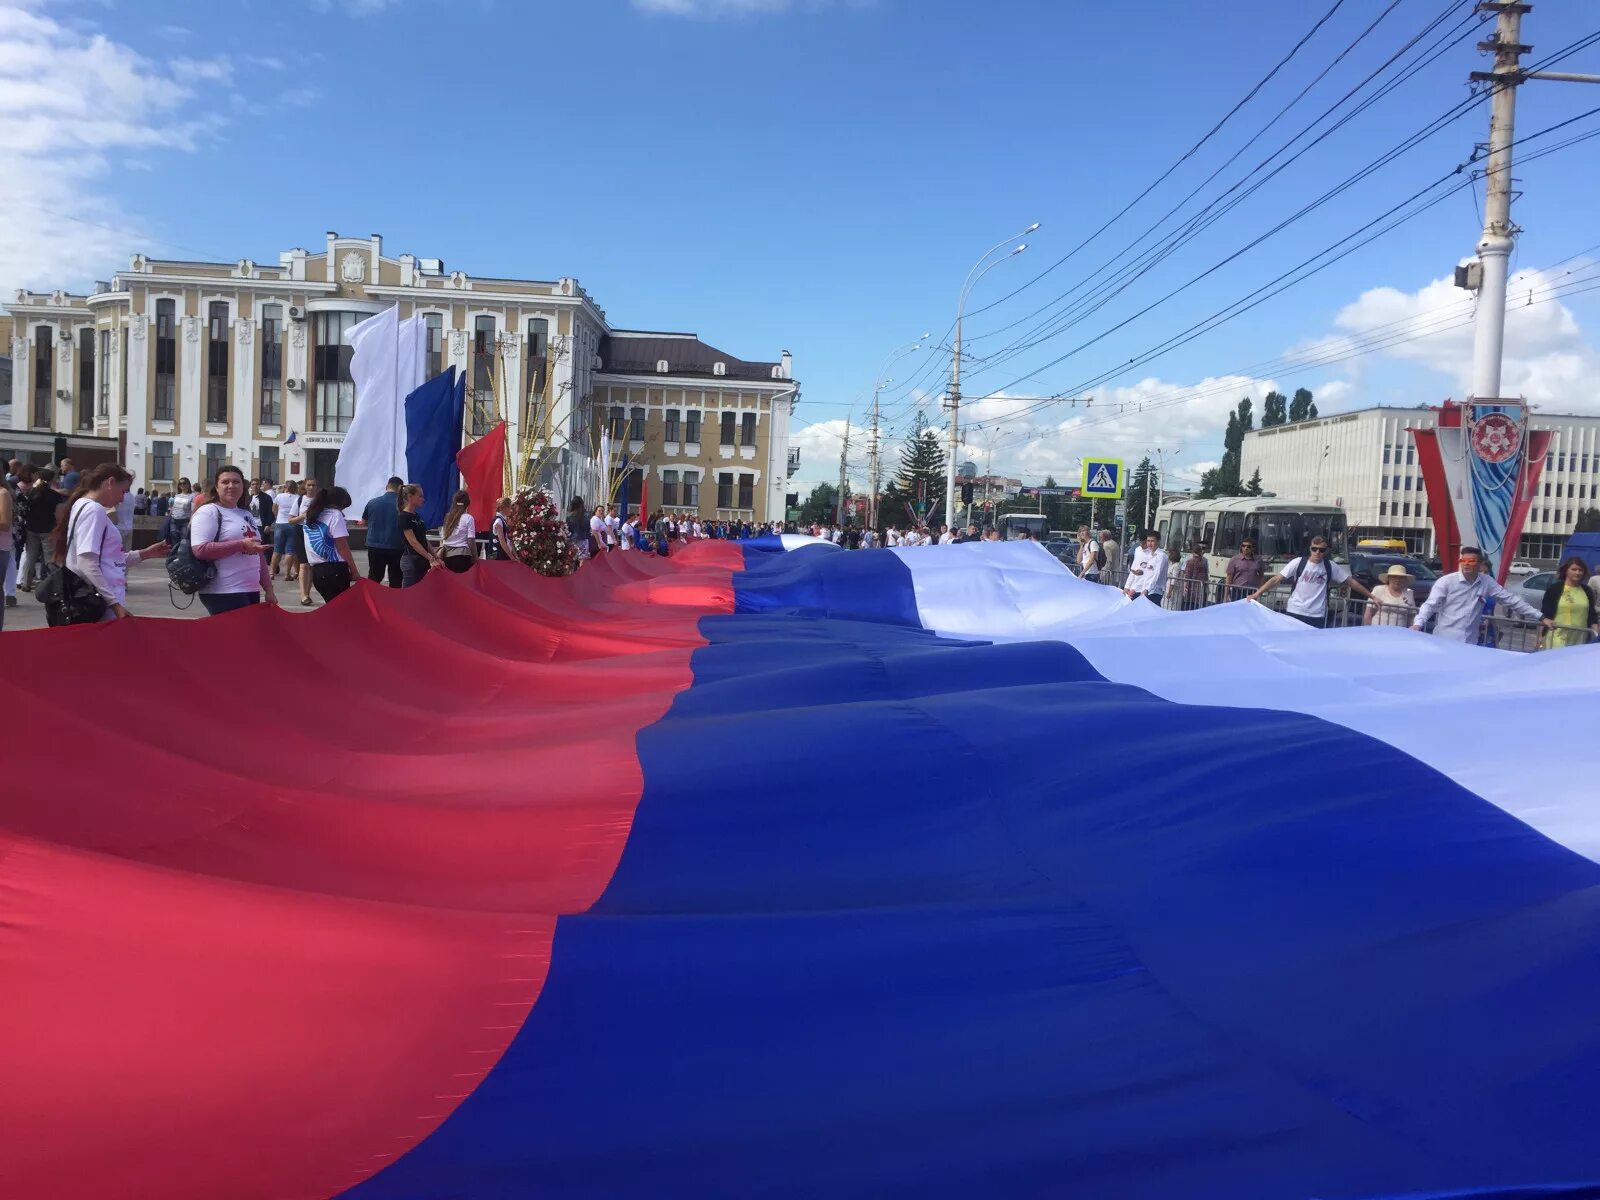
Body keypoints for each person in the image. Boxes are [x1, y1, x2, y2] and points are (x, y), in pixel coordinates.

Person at [55, 463, 168, 620]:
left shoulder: (82, 505)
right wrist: (114, 604)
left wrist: (145, 554)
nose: (122, 499)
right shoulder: (94, 510)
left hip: (96, 598)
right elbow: (87, 562)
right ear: (110, 483)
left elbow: (109, 560)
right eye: (123, 491)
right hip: (100, 603)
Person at [189, 465, 275, 616]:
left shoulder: (245, 513)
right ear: (216, 487)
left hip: (250, 590)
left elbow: (258, 553)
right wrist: (241, 545)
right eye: (225, 482)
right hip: (223, 591)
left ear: (243, 486)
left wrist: (268, 589)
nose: (231, 486)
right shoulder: (208, 511)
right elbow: (200, 550)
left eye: (236, 482)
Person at [1412, 545, 1544, 642]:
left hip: (1470, 643)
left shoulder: (1487, 581)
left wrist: (1540, 617)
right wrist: (1418, 623)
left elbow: (1510, 600)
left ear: (1479, 564)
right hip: (1444, 640)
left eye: (1471, 561)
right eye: (1463, 561)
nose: (1466, 564)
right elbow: (1430, 605)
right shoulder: (1446, 581)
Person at [1248, 536, 1372, 628]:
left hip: (1317, 614)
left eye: (1321, 550)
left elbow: (1351, 582)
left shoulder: (1330, 566)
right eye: (1314, 549)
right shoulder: (1298, 562)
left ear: (1326, 551)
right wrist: (1256, 594)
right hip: (1295, 611)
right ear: (1310, 549)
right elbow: (1276, 579)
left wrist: (1371, 596)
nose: (1317, 552)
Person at [302, 485, 357, 602]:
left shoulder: (310, 514)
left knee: (331, 609)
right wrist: (354, 569)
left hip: (317, 571)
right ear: (339, 504)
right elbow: (342, 546)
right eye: (343, 507)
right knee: (341, 611)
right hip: (335, 570)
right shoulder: (335, 515)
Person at [18, 470, 65, 591]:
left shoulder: (31, 492)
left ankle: (26, 583)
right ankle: (51, 585)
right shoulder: (55, 495)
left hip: (31, 528)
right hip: (48, 529)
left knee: (30, 556)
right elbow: (59, 515)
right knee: (49, 558)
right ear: (51, 480)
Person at [1539, 557, 1598, 649]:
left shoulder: (1587, 590)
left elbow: (1592, 615)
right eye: (1574, 569)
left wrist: (1596, 631)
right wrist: (1539, 637)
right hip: (1556, 636)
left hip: (1579, 638)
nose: (1577, 573)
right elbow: (1545, 614)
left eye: (1580, 570)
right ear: (1566, 570)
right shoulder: (1554, 589)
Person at [359, 476, 404, 587]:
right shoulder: (403, 505)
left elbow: (364, 522)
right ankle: (393, 602)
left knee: (374, 576)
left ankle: (371, 601)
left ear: (386, 487)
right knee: (396, 578)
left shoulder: (372, 502)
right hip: (396, 545)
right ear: (401, 488)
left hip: (374, 544)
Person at [398, 484, 443, 586]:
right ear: (410, 497)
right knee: (409, 595)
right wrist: (430, 558)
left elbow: (423, 539)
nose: (423, 499)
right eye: (420, 496)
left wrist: (436, 557)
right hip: (411, 561)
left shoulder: (416, 516)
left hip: (421, 561)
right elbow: (413, 542)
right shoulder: (404, 517)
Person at [1364, 563, 1418, 627]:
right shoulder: (1378, 590)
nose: (1397, 580)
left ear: (1404, 579)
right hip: (1377, 631)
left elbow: (1411, 617)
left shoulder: (1409, 593)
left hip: (1400, 633)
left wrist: (1411, 632)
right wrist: (1367, 630)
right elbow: (1368, 613)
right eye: (1394, 577)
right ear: (1388, 578)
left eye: (1401, 577)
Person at [1123, 531, 1169, 604]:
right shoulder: (1150, 555)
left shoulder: (1161, 556)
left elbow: (1156, 575)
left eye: (1152, 541)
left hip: (1154, 592)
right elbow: (1145, 574)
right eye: (1148, 541)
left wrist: (1147, 590)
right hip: (1144, 590)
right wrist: (1133, 587)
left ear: (1158, 541)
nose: (1150, 543)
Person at [439, 490, 477, 574]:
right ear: (467, 503)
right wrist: (475, 558)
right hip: (462, 555)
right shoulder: (468, 518)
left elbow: (444, 537)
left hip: (447, 555)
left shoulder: (448, 517)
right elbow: (471, 540)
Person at [270, 480, 300, 581]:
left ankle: (271, 573)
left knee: (277, 550)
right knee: (290, 551)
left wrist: (277, 517)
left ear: (285, 487)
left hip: (280, 524)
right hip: (292, 524)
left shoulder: (279, 496)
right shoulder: (298, 498)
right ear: (295, 488)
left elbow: (274, 509)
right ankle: (287, 574)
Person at [1178, 544, 1208, 610]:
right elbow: (1206, 575)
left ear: (1192, 552)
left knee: (1189, 606)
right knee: (1197, 607)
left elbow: (1187, 575)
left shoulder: (1190, 561)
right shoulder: (1204, 561)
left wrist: (1185, 586)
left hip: (1190, 587)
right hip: (1200, 587)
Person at [565, 496, 591, 561]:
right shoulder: (587, 515)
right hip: (583, 540)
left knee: (572, 561)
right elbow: (588, 530)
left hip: (572, 541)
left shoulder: (569, 516)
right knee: (582, 563)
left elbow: (567, 530)